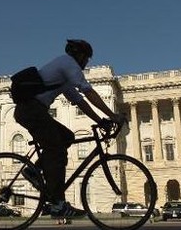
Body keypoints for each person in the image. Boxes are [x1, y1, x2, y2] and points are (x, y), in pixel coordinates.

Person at [13, 39, 123, 219]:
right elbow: (88, 92)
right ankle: (57, 203)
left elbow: (80, 101)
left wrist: (100, 120)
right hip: (31, 110)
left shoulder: (64, 76)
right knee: (56, 149)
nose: (87, 62)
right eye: (87, 58)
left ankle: (36, 173)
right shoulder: (68, 64)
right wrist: (113, 116)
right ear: (79, 55)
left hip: (33, 110)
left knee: (67, 137)